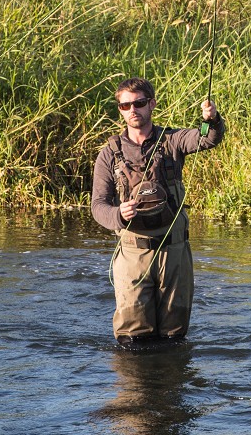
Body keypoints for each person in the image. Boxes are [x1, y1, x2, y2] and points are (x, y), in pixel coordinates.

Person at [91, 77, 224, 347]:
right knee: (133, 340)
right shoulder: (109, 154)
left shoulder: (173, 140)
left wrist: (211, 119)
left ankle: (172, 387)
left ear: (151, 104)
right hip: (132, 253)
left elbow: (207, 138)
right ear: (120, 109)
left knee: (174, 337)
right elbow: (98, 206)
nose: (132, 110)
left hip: (174, 251)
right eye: (125, 106)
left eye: (139, 103)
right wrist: (119, 213)